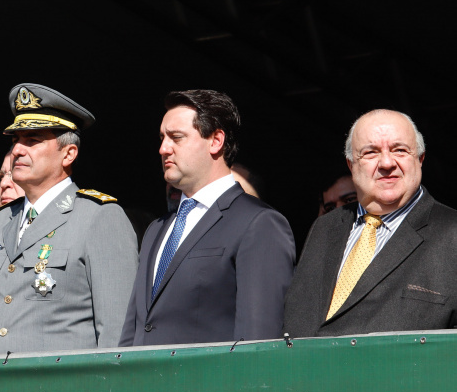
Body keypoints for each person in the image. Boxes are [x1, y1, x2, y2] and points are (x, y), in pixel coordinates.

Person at [120, 90, 295, 346]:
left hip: (209, 384)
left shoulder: (258, 223)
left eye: (176, 138)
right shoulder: (157, 229)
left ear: (215, 141)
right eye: (162, 138)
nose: (163, 148)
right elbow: (135, 328)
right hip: (145, 383)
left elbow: (258, 339)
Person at [0, 83, 138, 354]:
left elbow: (117, 332)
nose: (17, 150)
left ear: (68, 154)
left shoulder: (99, 217)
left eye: (32, 140)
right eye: (15, 140)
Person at [284, 109, 457, 336]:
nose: (386, 163)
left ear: (420, 159)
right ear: (351, 165)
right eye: (371, 153)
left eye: (400, 150)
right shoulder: (325, 228)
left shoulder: (451, 233)